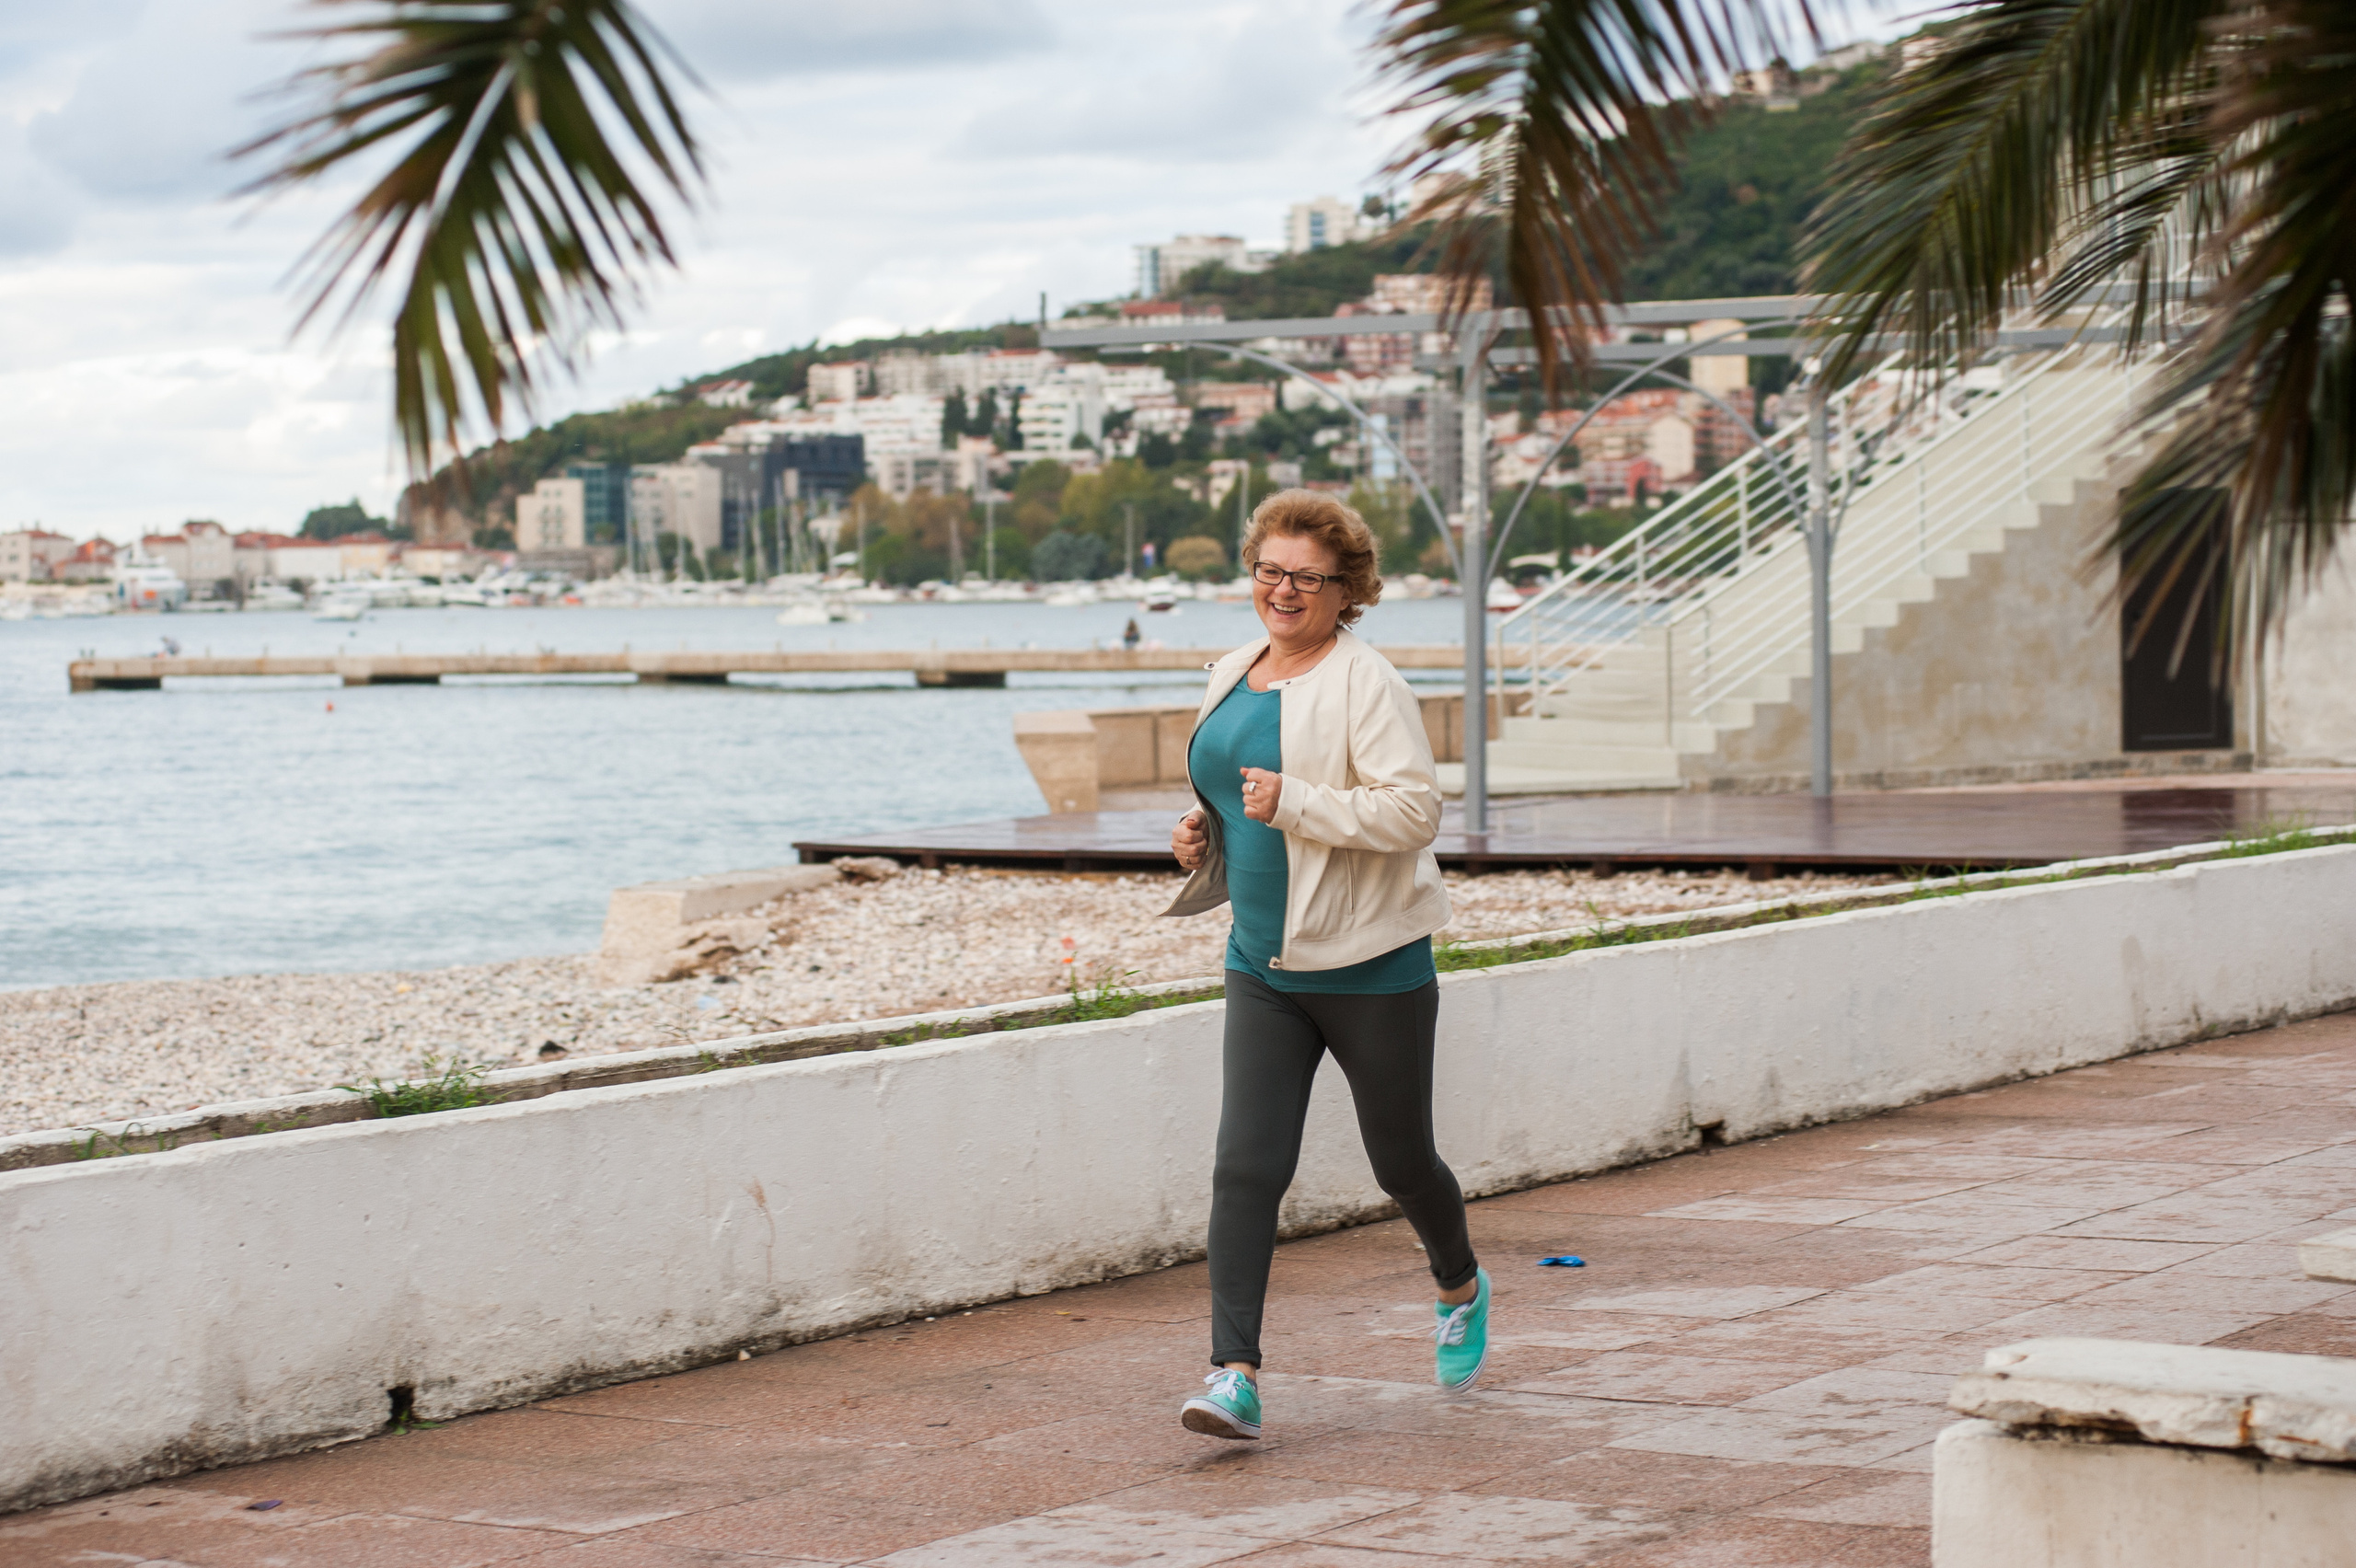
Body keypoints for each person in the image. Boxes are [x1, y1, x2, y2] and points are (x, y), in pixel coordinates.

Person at [1164, 489, 1488, 1442]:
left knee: (1401, 1163)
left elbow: (1412, 814)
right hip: (1262, 963)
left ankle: (1459, 1283)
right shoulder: (1234, 669)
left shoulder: (1366, 680)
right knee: (1244, 1165)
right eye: (1270, 569)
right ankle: (1234, 1376)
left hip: (1368, 963)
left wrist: (1296, 801)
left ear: (1347, 590)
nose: (1284, 588)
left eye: (1307, 576)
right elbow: (1234, 793)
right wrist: (1201, 831)